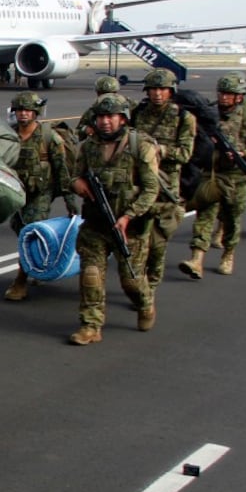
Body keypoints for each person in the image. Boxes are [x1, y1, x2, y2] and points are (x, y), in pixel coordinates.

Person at [68, 93, 161, 345]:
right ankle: (91, 325)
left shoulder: (140, 145)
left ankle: (145, 303)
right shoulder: (88, 147)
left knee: (131, 280)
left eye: (111, 116)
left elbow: (152, 188)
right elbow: (74, 175)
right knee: (91, 275)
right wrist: (77, 183)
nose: (105, 122)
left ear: (123, 118)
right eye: (101, 117)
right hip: (97, 224)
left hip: (129, 228)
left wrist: (129, 216)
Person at [179, 71, 246, 278]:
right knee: (204, 215)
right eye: (222, 93)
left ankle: (228, 254)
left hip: (235, 179)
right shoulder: (208, 114)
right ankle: (197, 259)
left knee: (231, 219)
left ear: (239, 96)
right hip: (210, 175)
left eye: (229, 94)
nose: (224, 97)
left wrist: (242, 153)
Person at [4, 91, 78, 300]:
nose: (23, 114)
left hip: (41, 193)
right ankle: (38, 264)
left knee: (31, 230)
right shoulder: (9, 136)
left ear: (35, 112)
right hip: (17, 193)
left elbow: (61, 169)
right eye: (19, 110)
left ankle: (20, 281)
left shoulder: (48, 137)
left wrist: (69, 199)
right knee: (20, 229)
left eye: (27, 110)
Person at [129, 68, 195, 292]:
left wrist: (161, 150)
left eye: (162, 89)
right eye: (153, 89)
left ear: (171, 91)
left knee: (157, 241)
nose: (157, 93)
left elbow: (185, 153)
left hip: (165, 184)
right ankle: (139, 281)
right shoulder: (139, 113)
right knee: (138, 237)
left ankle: (153, 280)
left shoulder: (183, 118)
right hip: (139, 182)